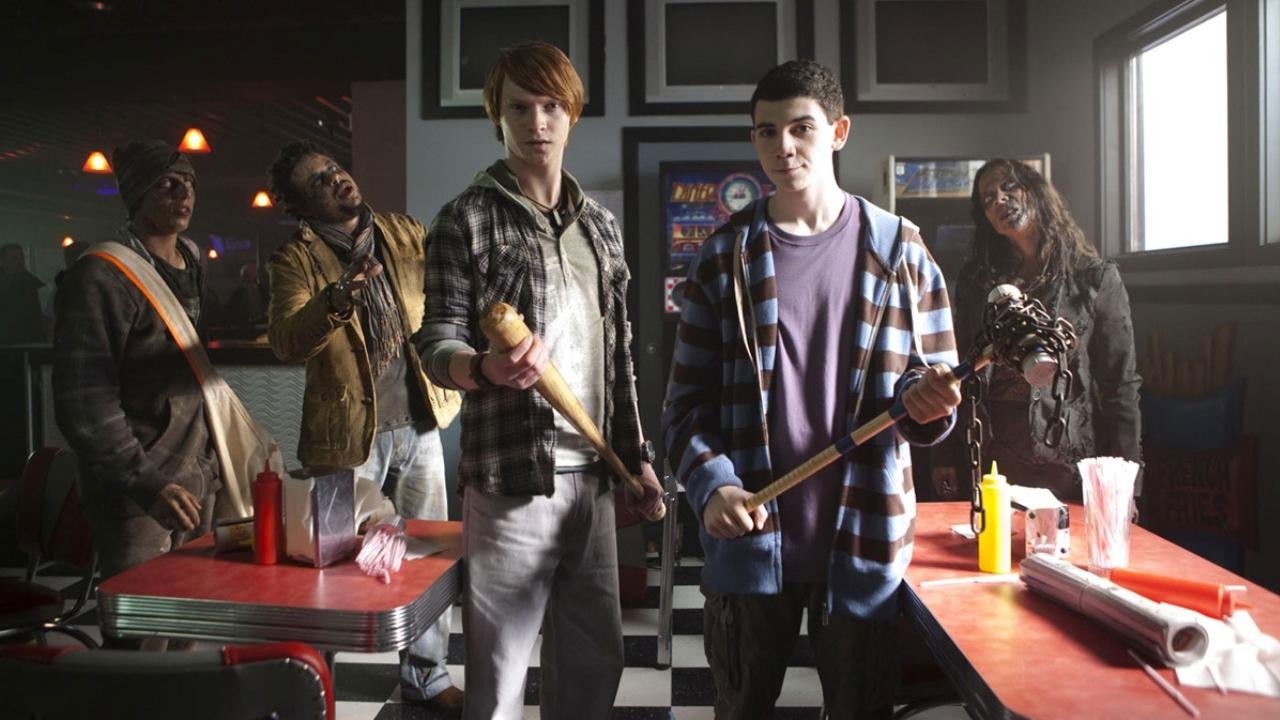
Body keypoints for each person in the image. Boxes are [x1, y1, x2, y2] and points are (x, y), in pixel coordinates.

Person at [661, 60, 963, 718]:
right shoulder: (723, 257)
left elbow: (929, 393)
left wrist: (928, 403)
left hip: (864, 538)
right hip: (751, 540)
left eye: (801, 128)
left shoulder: (901, 252)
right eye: (767, 132)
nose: (784, 147)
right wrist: (712, 485)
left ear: (839, 132)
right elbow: (683, 409)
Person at [415, 41, 665, 719]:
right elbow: (435, 341)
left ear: (572, 114)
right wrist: (483, 367)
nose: (537, 122)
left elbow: (619, 360)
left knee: (593, 664)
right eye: (520, 107)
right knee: (499, 676)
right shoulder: (464, 218)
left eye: (552, 105)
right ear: (497, 117)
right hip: (511, 480)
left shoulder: (602, 229)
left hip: (595, 478)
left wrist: (636, 457)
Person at [265, 141, 464, 715]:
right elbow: (286, 342)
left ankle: (426, 677)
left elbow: (450, 293)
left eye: (334, 169)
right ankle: (314, 683)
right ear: (301, 206)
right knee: (326, 566)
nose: (336, 179)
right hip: (346, 437)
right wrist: (338, 297)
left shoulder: (403, 232)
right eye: (318, 181)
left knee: (428, 560)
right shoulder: (294, 259)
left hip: (422, 422)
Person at [53, 140, 218, 608]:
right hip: (139, 487)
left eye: (189, 183)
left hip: (197, 475)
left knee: (195, 619)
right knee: (142, 627)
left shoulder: (191, 260)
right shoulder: (101, 275)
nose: (183, 193)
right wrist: (146, 483)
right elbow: (85, 402)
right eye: (166, 184)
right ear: (137, 196)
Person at [931, 158, 1141, 502]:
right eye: (988, 198)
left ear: (1036, 192)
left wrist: (1127, 484)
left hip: (1066, 454)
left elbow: (1120, 384)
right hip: (993, 452)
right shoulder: (978, 281)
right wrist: (946, 455)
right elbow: (960, 370)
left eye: (1009, 187)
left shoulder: (1094, 278)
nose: (999, 200)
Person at [0, 242, 48, 344]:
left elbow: (40, 314)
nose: (20, 262)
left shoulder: (32, 284)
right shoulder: (31, 283)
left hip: (30, 340)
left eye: (22, 258)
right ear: (3, 261)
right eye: (14, 258)